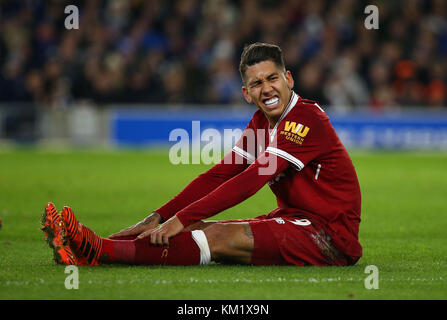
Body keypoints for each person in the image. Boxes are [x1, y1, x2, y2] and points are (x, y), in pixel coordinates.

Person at [41, 43, 362, 267]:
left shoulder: (306, 119)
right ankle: (96, 247)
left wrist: (181, 218)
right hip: (295, 220)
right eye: (256, 83)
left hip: (329, 236)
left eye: (272, 78)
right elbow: (222, 174)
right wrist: (160, 216)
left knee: (218, 236)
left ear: (288, 79)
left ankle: (96, 250)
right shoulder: (262, 122)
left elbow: (253, 178)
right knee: (202, 231)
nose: (266, 89)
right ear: (246, 94)